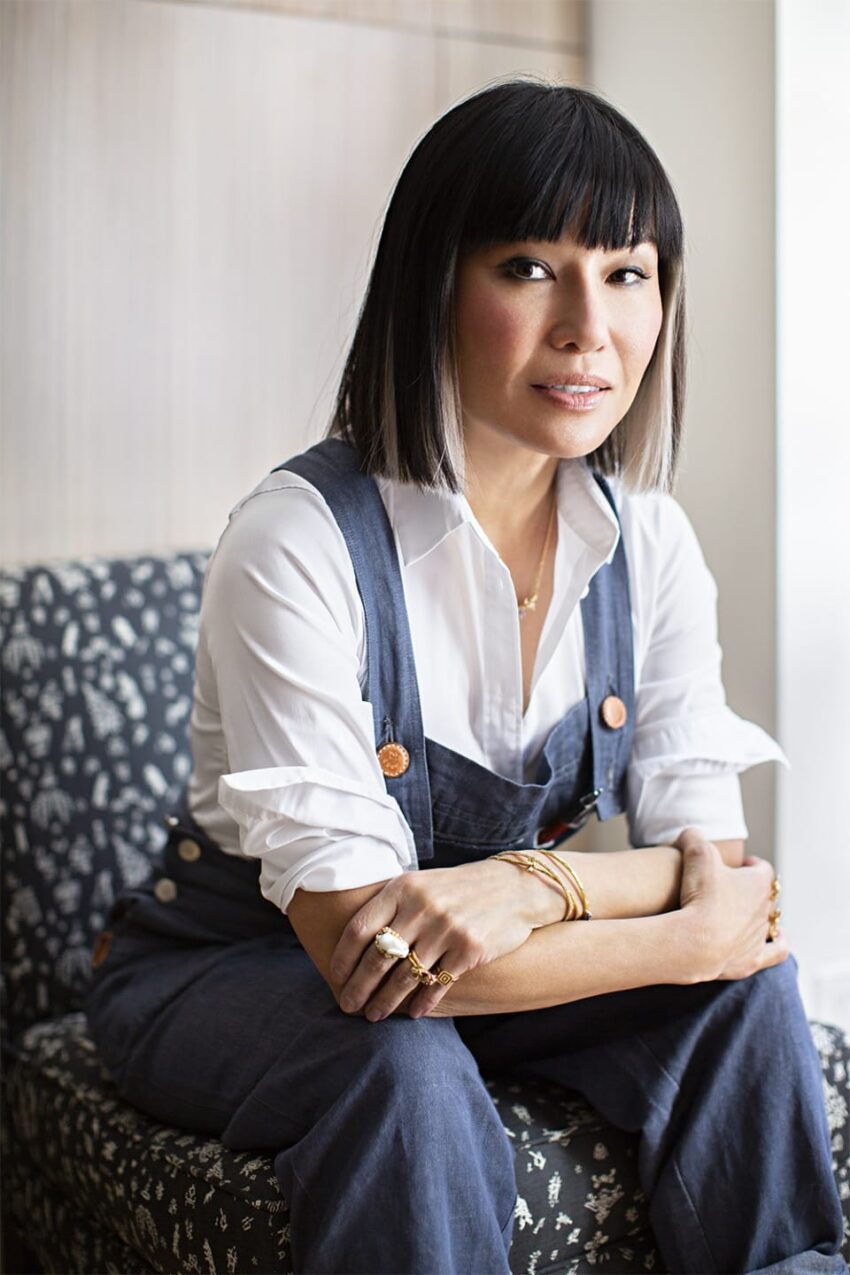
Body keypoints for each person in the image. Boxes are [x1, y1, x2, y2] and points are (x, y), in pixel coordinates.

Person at [85, 80, 847, 1275]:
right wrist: (680, 935)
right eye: (531, 268)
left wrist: (533, 891)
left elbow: (732, 889)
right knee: (397, 1059)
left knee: (745, 1006)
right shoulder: (295, 544)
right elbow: (375, 965)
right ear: (434, 283)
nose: (588, 328)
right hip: (231, 974)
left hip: (471, 975)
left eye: (627, 272)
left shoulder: (646, 543)